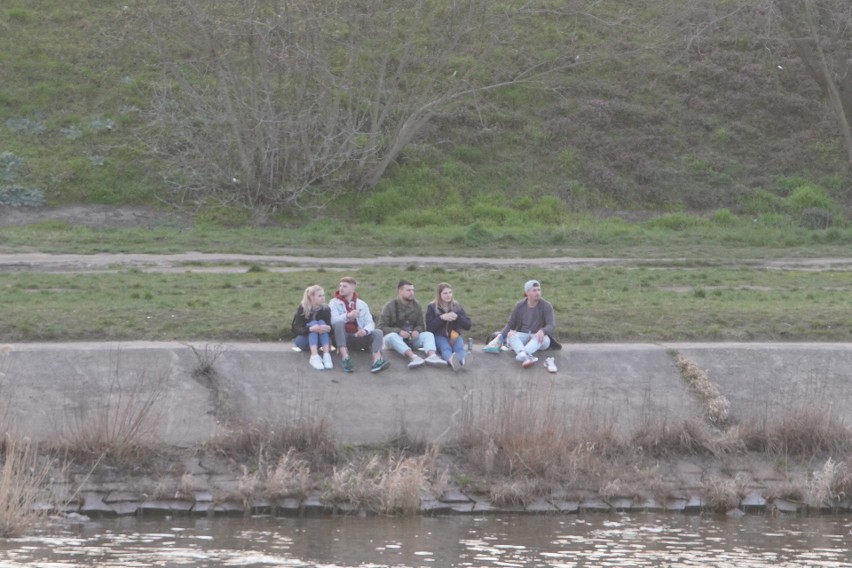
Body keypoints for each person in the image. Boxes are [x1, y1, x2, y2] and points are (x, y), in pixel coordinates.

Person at [493, 279, 560, 368]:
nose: (537, 293)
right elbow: (511, 324)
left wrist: (543, 331)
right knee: (510, 336)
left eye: (539, 290)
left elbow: (551, 325)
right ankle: (527, 356)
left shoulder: (546, 306)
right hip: (523, 335)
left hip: (539, 338)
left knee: (543, 339)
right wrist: (501, 336)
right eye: (534, 290)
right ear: (527, 292)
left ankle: (523, 353)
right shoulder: (519, 305)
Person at [329, 276, 389, 374]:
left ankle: (377, 361)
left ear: (353, 288)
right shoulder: (334, 303)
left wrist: (364, 330)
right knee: (339, 324)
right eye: (340, 286)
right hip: (343, 337)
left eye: (344, 286)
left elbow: (370, 322)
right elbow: (333, 321)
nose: (341, 288)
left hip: (358, 336)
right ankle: (345, 358)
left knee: (378, 332)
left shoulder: (362, 304)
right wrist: (347, 316)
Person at [379, 280, 444, 369]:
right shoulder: (389, 306)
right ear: (400, 291)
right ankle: (413, 357)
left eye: (412, 290)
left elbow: (421, 324)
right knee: (392, 336)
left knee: (428, 335)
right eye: (408, 290)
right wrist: (398, 332)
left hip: (410, 339)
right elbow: (381, 327)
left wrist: (417, 331)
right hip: (393, 341)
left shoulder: (417, 305)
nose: (412, 293)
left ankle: (432, 356)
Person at [425, 282, 472, 371]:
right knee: (445, 347)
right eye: (445, 293)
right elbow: (429, 328)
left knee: (459, 348)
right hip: (439, 336)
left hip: (454, 335)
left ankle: (463, 361)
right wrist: (441, 318)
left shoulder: (457, 306)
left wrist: (458, 317)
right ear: (439, 295)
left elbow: (468, 325)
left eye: (450, 292)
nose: (448, 295)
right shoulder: (432, 307)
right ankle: (451, 361)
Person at [291, 284, 333, 371]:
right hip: (303, 340)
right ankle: (314, 356)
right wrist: (310, 329)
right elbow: (296, 329)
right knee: (313, 324)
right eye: (319, 296)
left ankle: (326, 355)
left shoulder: (326, 309)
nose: (323, 298)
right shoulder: (302, 308)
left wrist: (328, 328)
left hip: (321, 340)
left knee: (321, 323)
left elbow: (330, 329)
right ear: (312, 297)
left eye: (323, 295)